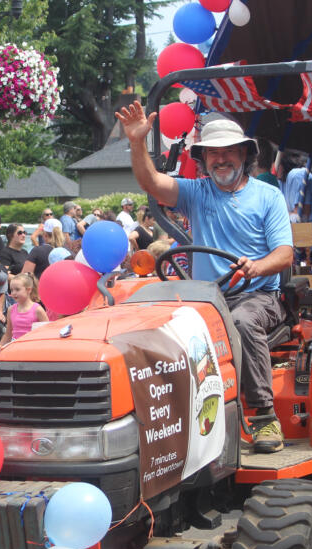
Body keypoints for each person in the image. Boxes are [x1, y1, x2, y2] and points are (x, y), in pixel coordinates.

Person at [116, 104, 293, 453]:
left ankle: (263, 416)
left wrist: (257, 266)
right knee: (162, 331)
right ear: (203, 158)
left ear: (245, 153)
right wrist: (137, 142)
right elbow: (151, 182)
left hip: (256, 295)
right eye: (213, 153)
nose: (221, 160)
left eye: (228, 151)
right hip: (206, 298)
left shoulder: (267, 196)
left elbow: (285, 253)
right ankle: (165, 423)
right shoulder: (196, 193)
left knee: (241, 322)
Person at [0, 273, 47, 348]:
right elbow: (8, 335)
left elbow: (46, 332)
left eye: (17, 289)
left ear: (28, 290)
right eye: (11, 290)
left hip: (32, 348)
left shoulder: (38, 309)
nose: (13, 293)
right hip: (15, 348)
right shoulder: (11, 309)